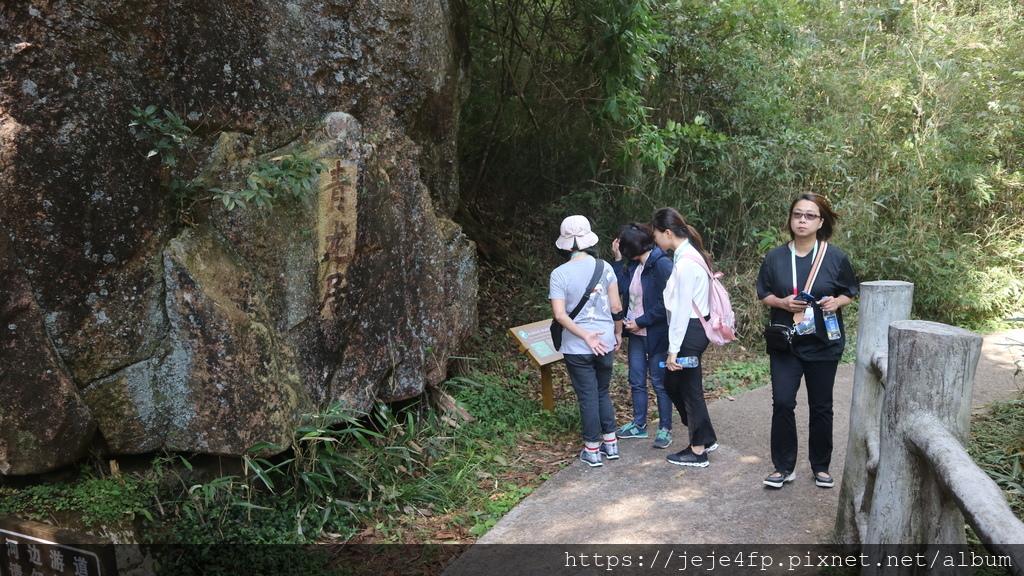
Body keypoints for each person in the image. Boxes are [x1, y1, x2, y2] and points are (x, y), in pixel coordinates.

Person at [756, 193, 858, 489]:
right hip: (786, 342)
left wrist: (836, 302)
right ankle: (784, 467)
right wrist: (782, 302)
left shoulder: (835, 257)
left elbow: (848, 291)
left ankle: (821, 466)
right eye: (797, 214)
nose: (802, 220)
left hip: (823, 342)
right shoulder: (775, 256)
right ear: (790, 219)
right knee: (783, 403)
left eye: (809, 216)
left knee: (821, 405)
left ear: (820, 222)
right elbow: (764, 293)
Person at [549, 215, 624, 468]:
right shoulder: (606, 267)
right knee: (602, 391)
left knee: (588, 396)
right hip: (604, 342)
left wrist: (584, 335)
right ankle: (610, 444)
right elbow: (616, 305)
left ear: (566, 244)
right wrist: (618, 332)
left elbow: (559, 315)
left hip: (576, 346)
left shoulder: (559, 274)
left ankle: (592, 450)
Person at [650, 208, 719, 467]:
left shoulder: (687, 262)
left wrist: (673, 350)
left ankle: (698, 450)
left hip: (689, 330)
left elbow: (681, 309)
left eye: (656, 234)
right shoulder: (688, 255)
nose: (655, 240)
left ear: (667, 233)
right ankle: (705, 436)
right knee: (673, 383)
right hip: (692, 329)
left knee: (689, 390)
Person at [611, 223, 675, 449]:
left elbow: (667, 303)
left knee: (659, 382)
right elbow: (619, 288)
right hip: (636, 334)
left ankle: (665, 428)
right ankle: (639, 425)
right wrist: (618, 260)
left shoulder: (661, 265)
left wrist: (641, 321)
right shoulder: (636, 264)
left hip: (656, 333)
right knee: (636, 380)